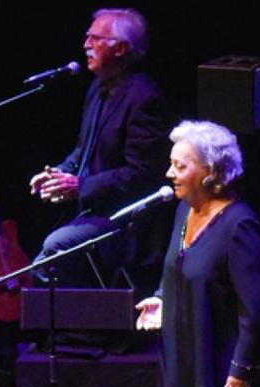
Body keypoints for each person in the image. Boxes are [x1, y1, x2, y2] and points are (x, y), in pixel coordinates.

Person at [135, 120, 260, 387]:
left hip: (221, 371)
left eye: (180, 166)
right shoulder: (183, 212)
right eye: (171, 165)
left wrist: (241, 367)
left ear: (210, 173)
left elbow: (254, 306)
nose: (169, 173)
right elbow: (182, 269)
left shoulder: (240, 225)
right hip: (184, 362)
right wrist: (163, 298)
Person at [29, 7, 170, 293]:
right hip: (92, 207)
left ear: (120, 48)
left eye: (95, 39)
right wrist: (59, 174)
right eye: (87, 37)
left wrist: (80, 186)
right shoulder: (97, 88)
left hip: (125, 218)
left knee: (51, 254)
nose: (85, 45)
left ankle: (85, 332)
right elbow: (83, 150)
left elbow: (143, 175)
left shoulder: (145, 97)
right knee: (38, 244)